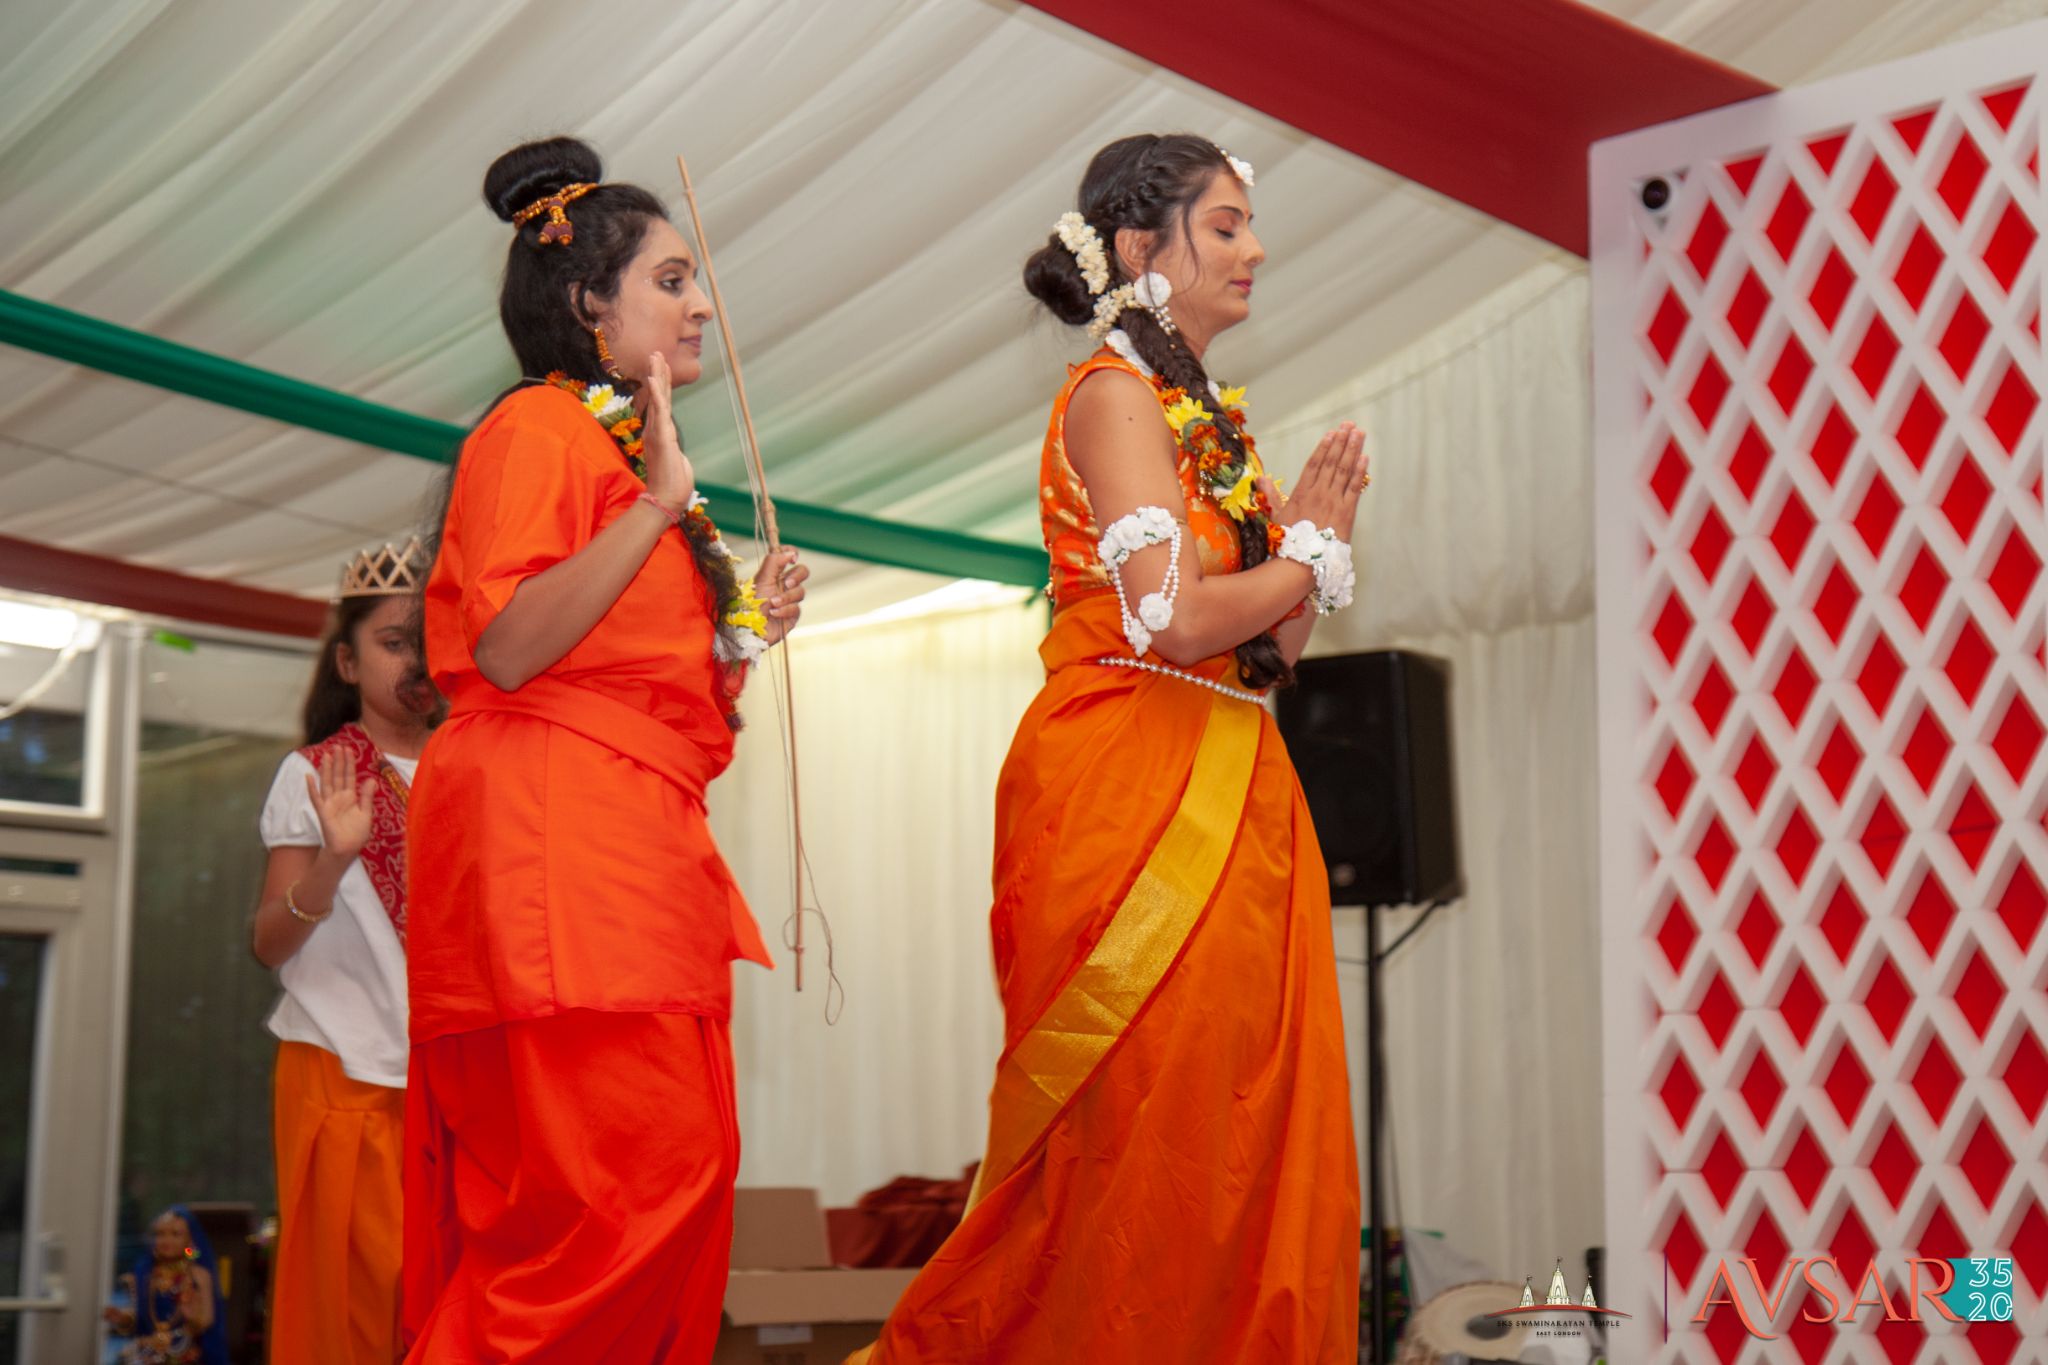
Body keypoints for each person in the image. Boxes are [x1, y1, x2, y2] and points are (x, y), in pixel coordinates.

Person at [855, 134, 1369, 1363]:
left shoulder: (1208, 420)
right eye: (1228, 225)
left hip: (1238, 781)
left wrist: (1306, 539)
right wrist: (1301, 560)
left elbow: (1263, 654)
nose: (1255, 250)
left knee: (1248, 1129)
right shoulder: (1113, 394)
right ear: (1143, 249)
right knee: (1147, 1128)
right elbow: (1169, 616)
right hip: (1132, 781)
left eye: (1249, 227)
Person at [400, 136, 808, 1363]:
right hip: (555, 852)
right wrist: (653, 511)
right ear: (589, 303)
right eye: (673, 281)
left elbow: (637, 684)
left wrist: (742, 636)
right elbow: (511, 646)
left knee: (669, 1179)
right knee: (611, 1203)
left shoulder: (618, 448)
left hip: (625, 840)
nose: (701, 306)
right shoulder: (538, 430)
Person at [251, 540, 435, 1364]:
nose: (416, 662)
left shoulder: (480, 771)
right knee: (351, 1317)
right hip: (346, 1074)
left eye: (432, 642)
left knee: (443, 1311)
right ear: (348, 662)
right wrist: (333, 859)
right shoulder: (318, 772)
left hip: (453, 1083)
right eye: (395, 643)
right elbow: (269, 941)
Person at [103, 1206, 228, 1365]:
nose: (166, 1240)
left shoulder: (198, 1276)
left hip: (186, 1355)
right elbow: (139, 1318)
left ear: (190, 1240)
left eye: (175, 1234)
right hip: (147, 1353)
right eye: (160, 1234)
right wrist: (122, 1318)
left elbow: (208, 1321)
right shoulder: (144, 1273)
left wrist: (194, 1318)